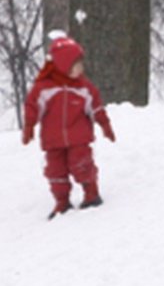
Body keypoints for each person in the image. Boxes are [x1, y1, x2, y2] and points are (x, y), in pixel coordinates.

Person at [22, 33, 116, 219]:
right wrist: (29, 127)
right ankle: (62, 201)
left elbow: (96, 107)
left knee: (81, 164)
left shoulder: (83, 88)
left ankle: (91, 193)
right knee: (55, 171)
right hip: (53, 140)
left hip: (78, 137)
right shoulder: (44, 88)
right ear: (63, 65)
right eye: (76, 65)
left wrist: (105, 125)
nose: (80, 69)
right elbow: (33, 108)